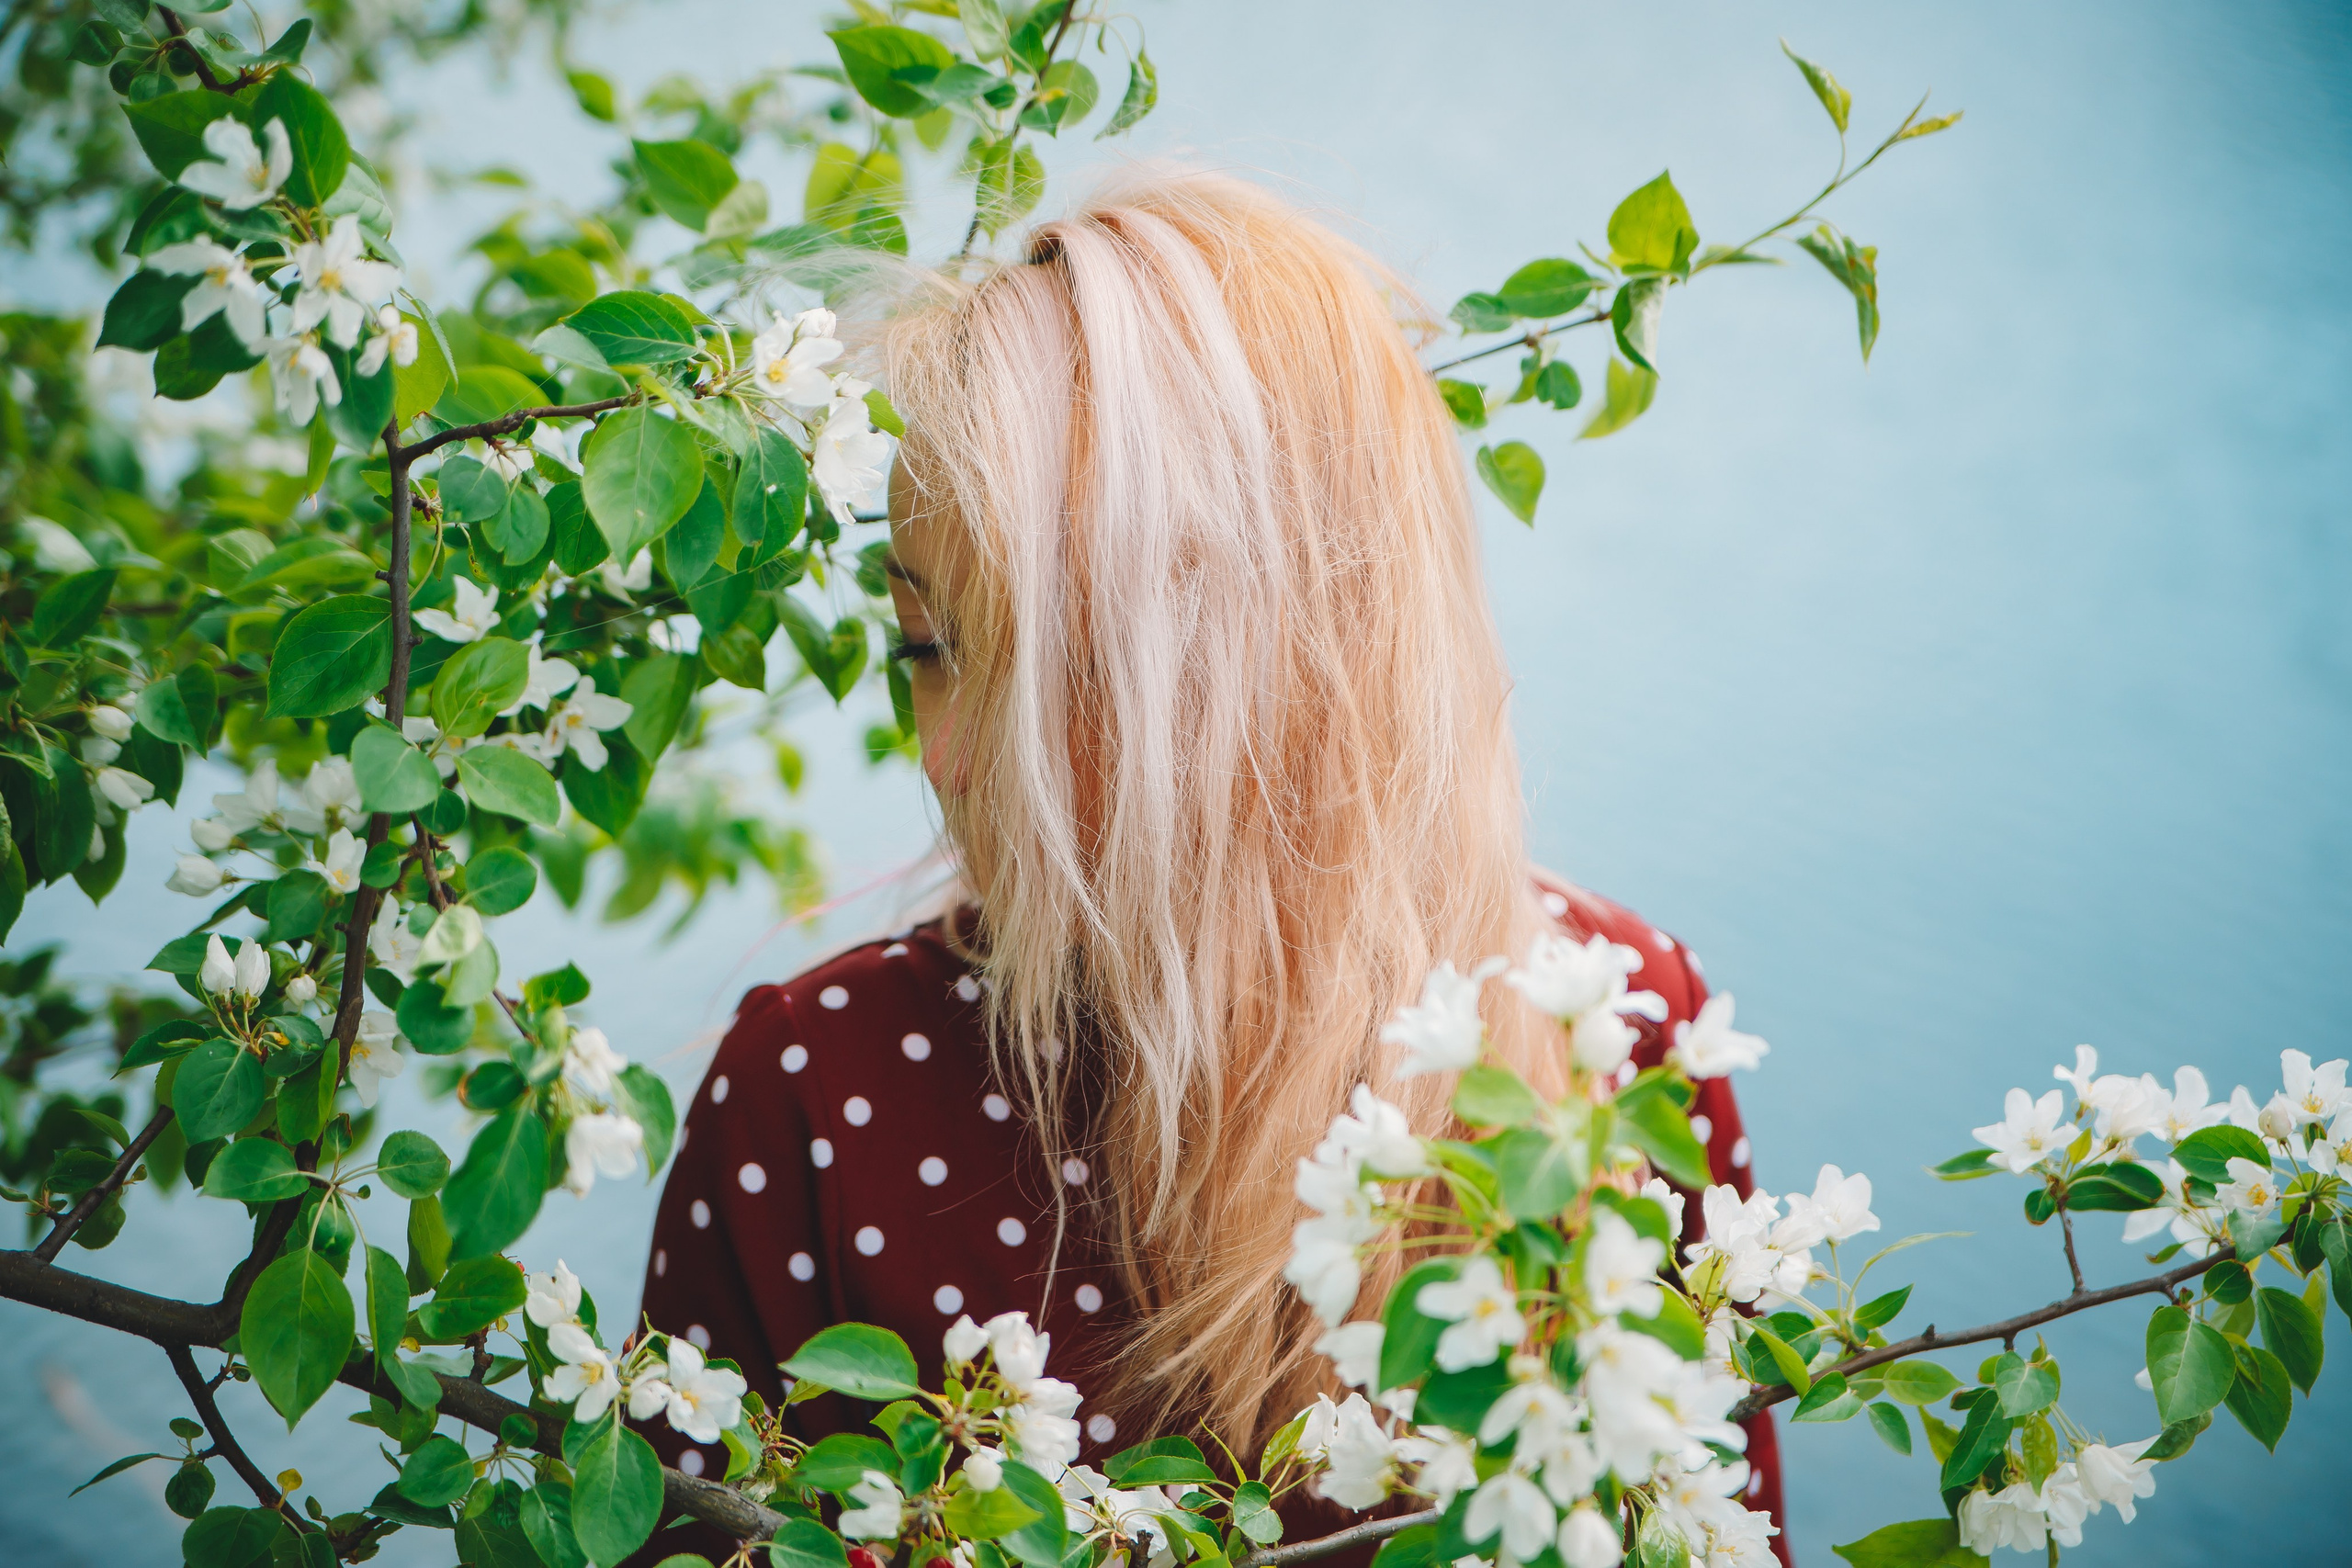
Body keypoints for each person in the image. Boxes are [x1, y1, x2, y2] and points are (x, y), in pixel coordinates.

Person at [632, 172, 1787, 1562]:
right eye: (927, 651)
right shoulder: (821, 1100)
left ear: (1260, 672)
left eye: (1037, 661)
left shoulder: (1606, 1035)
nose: (940, 758)